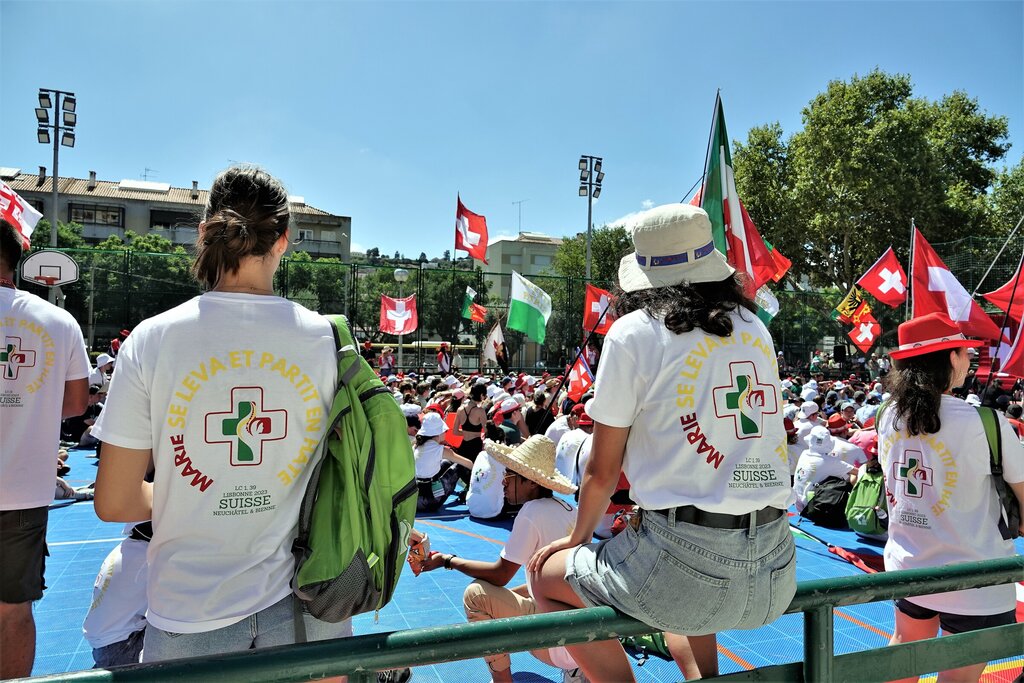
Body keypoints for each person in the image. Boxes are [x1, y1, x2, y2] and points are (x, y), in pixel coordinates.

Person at [92, 166, 353, 661]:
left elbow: (115, 501)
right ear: (284, 239)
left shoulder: (151, 339)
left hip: (189, 610)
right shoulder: (328, 340)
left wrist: (196, 494)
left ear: (204, 232)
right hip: (308, 599)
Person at [528, 203, 795, 683]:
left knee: (544, 576)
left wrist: (577, 539)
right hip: (776, 568)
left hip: (682, 565)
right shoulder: (754, 327)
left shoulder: (633, 332)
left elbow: (602, 472)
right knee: (683, 592)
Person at [878, 312, 1024, 683]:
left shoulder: (886, 416)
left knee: (904, 654)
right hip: (976, 579)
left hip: (910, 569)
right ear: (948, 358)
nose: (970, 358)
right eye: (964, 352)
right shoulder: (988, 423)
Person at [0, 218, 91, 679]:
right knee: (13, 611)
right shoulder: (57, 320)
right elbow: (76, 404)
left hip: (24, 492)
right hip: (22, 493)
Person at [417, 435, 585, 683]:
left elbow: (500, 574)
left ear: (530, 482)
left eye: (509, 476)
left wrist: (447, 560)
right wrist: (505, 597)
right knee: (507, 595)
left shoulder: (532, 511)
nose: (503, 483)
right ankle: (578, 670)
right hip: (586, 634)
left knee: (475, 595)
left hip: (560, 641)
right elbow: (544, 584)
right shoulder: (567, 509)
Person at [414, 412, 474, 512]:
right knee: (459, 466)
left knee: (446, 463)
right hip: (430, 502)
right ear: (438, 433)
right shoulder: (441, 450)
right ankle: (472, 492)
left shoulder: (416, 446)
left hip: (415, 500)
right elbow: (469, 464)